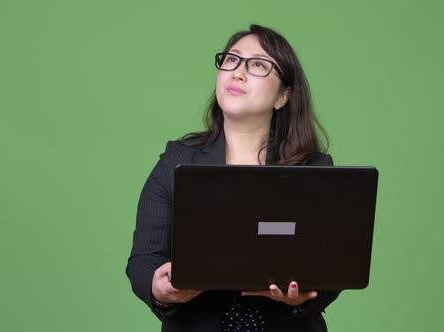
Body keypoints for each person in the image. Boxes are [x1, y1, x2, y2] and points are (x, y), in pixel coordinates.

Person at [126, 24, 341, 332]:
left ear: (283, 95)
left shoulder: (314, 170)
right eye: (231, 60)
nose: (238, 72)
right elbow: (143, 260)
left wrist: (303, 298)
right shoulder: (176, 161)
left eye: (257, 65)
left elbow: (333, 266)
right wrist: (159, 289)